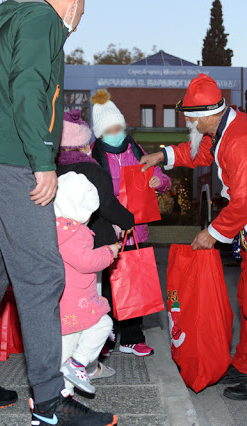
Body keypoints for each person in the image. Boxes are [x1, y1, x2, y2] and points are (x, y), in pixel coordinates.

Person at [0, 1, 117, 424]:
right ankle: (49, 403)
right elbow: (28, 87)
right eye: (83, 9)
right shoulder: (42, 18)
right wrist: (43, 162)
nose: (80, 19)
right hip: (15, 162)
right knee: (43, 275)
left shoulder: (12, 18)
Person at [141, 74, 247, 401]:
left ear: (205, 115)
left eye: (190, 118)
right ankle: (246, 365)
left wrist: (212, 233)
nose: (188, 123)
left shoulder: (238, 141)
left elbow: (244, 202)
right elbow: (198, 154)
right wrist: (161, 156)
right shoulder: (226, 128)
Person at [90, 89, 172, 357]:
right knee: (108, 287)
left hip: (135, 230)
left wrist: (160, 182)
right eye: (110, 129)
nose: (117, 133)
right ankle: (106, 337)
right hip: (109, 230)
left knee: (134, 283)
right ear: (100, 133)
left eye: (119, 127)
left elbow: (162, 178)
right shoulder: (93, 157)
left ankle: (132, 339)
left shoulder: (135, 149)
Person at [56, 109, 135, 367]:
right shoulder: (93, 169)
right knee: (89, 304)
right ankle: (84, 363)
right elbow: (108, 205)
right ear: (84, 142)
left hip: (55, 243)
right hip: (92, 242)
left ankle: (67, 357)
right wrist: (128, 220)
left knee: (65, 305)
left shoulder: (51, 168)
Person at [54, 172, 120, 396]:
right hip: (79, 301)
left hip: (60, 302)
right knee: (102, 324)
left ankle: (64, 397)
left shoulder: (54, 228)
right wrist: (108, 252)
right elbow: (86, 262)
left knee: (65, 352)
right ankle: (80, 363)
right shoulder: (76, 232)